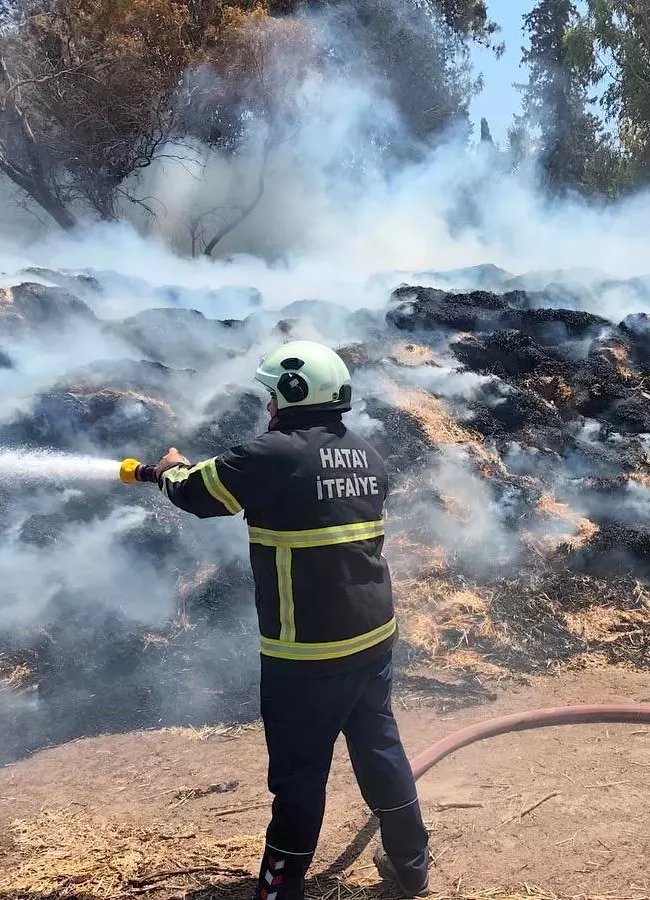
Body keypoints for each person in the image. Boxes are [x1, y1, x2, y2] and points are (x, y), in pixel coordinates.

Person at [149, 339, 430, 900]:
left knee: (299, 776)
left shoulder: (274, 454)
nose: (267, 405)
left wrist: (168, 470)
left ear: (293, 392)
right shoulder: (366, 454)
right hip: (372, 637)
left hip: (307, 652)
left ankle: (279, 890)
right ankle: (412, 864)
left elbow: (197, 494)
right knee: (378, 748)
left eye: (271, 394)